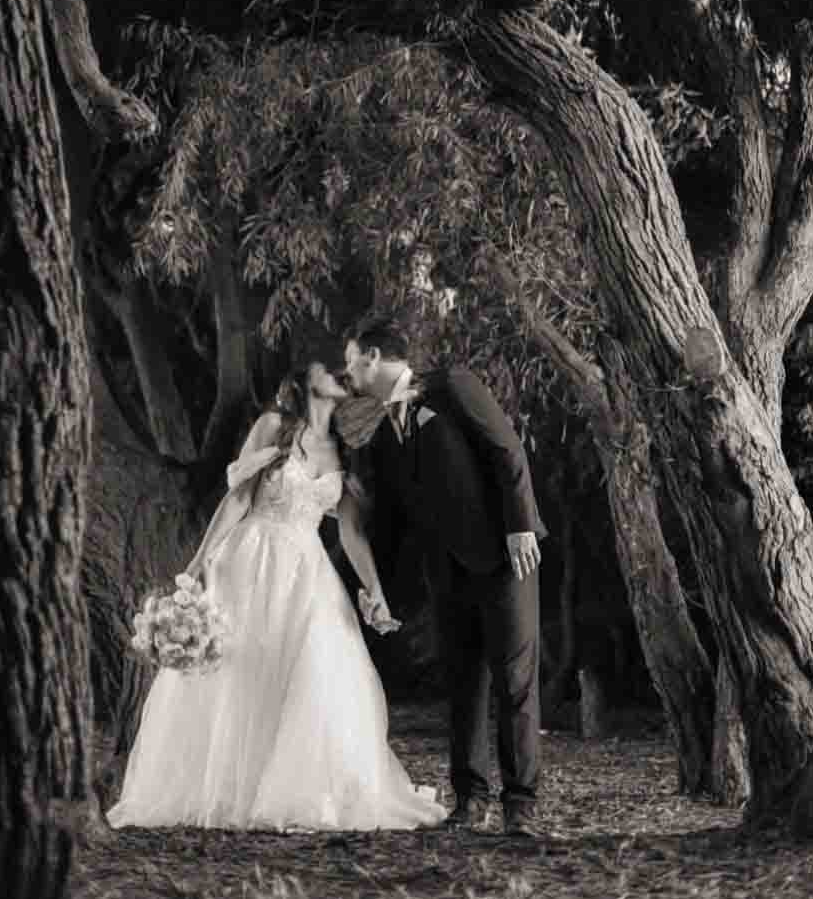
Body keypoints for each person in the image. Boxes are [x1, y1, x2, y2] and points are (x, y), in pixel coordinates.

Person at [105, 347, 447, 832]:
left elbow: (350, 531)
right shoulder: (272, 427)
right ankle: (229, 789)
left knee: (316, 665)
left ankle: (300, 791)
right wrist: (198, 565)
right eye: (324, 369)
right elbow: (237, 499)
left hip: (307, 569)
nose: (335, 372)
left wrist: (375, 591)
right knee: (241, 671)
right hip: (250, 557)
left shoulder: (345, 450)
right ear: (304, 384)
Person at [340, 317, 546, 838]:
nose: (348, 373)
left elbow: (507, 449)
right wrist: (378, 590)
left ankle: (520, 805)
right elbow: (392, 523)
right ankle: (469, 801)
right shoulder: (385, 433)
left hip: (504, 559)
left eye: (351, 361)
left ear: (374, 356)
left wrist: (520, 528)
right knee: (463, 685)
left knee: (515, 681)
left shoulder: (452, 386)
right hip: (446, 575)